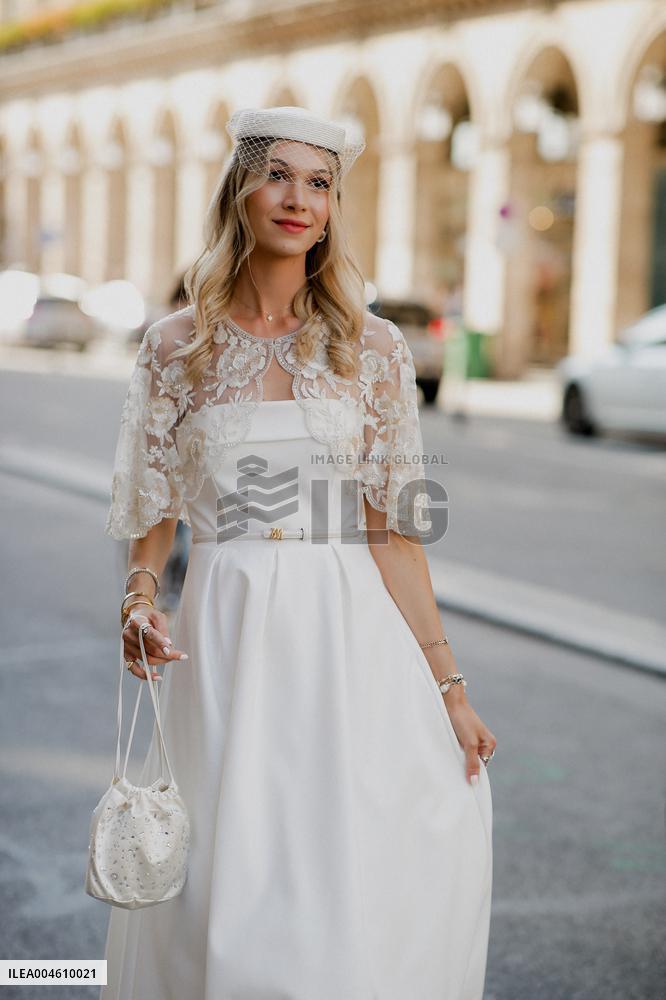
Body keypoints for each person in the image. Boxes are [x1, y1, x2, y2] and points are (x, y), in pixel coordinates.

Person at [100, 105, 496, 1000]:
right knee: (226, 883)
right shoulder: (175, 349)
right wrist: (136, 600)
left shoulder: (376, 350)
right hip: (225, 632)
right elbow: (153, 509)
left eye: (319, 182)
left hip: (352, 641)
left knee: (353, 869)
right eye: (277, 174)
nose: (298, 198)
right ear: (240, 188)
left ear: (333, 207)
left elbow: (394, 533)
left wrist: (450, 689)